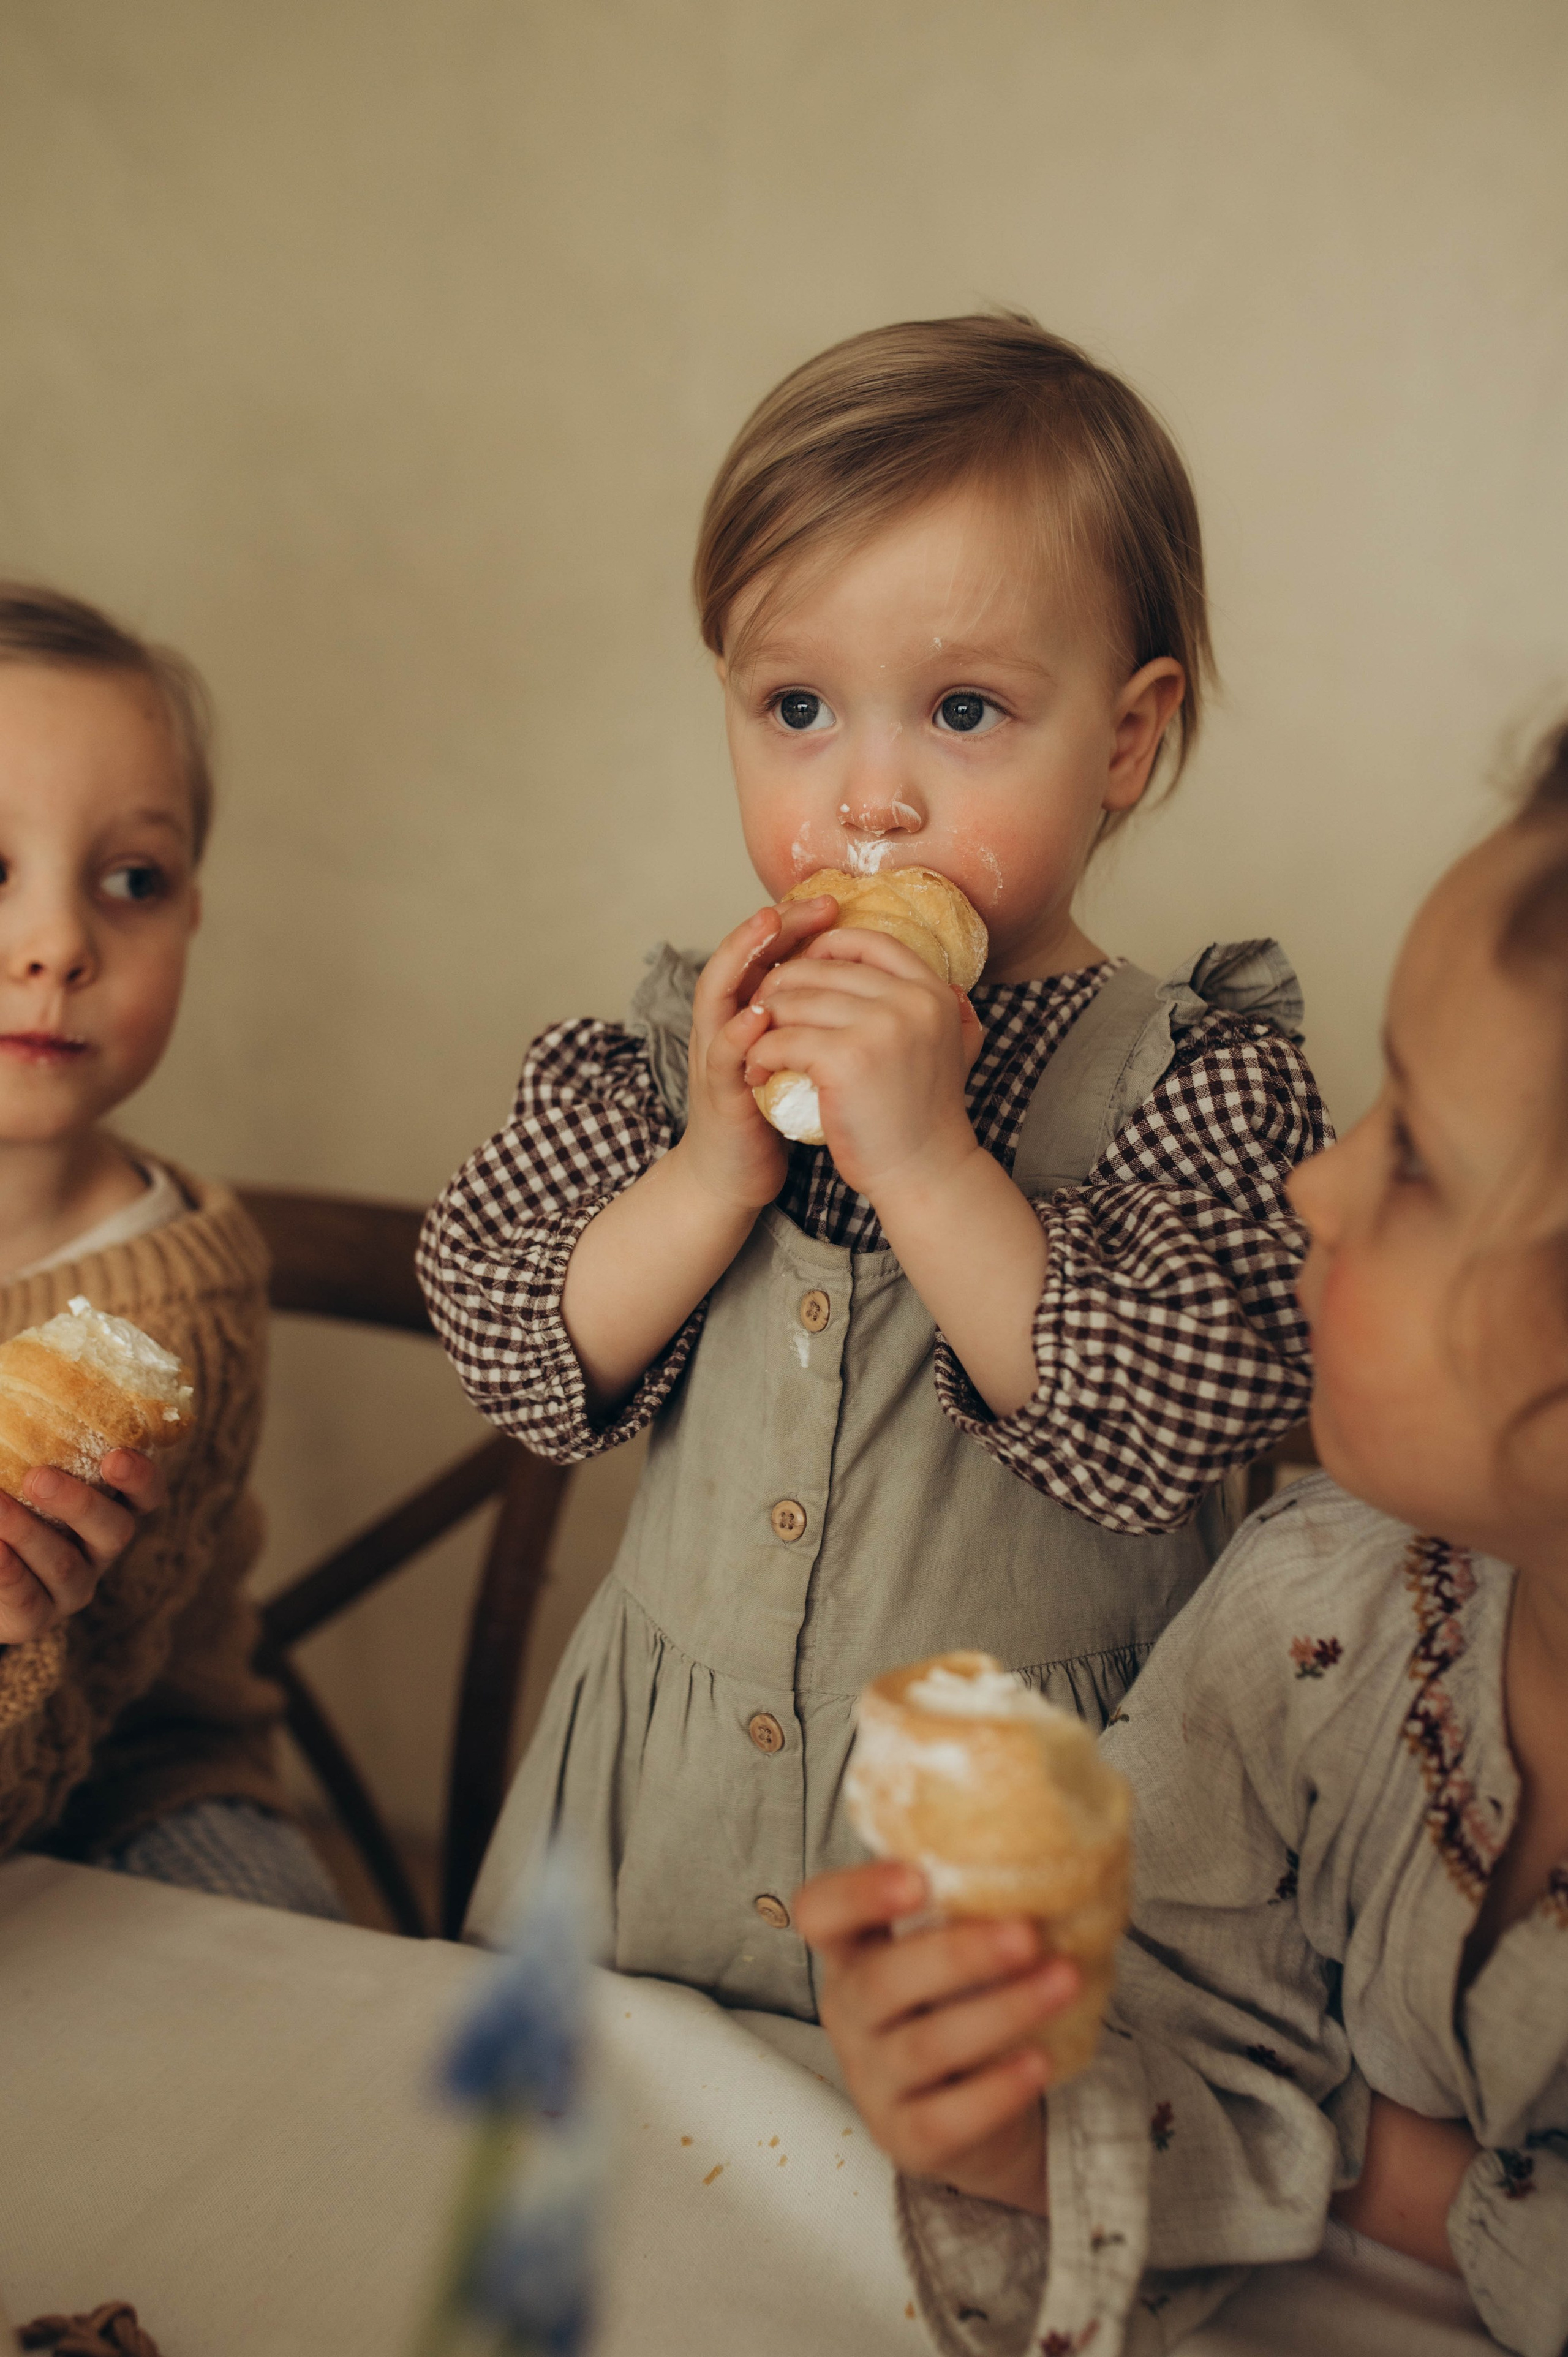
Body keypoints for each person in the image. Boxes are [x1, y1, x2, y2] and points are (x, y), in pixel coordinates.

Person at [419, 314, 1327, 2010]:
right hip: (654, 1832)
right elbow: (516, 1350)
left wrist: (927, 1160)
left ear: (1123, 738)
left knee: (947, 2168)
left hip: (998, 1862)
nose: (870, 800)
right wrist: (706, 1173)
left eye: (963, 709)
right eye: (797, 708)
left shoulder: (1194, 1082)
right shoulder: (680, 1045)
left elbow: (1170, 1426)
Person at [794, 729, 1568, 2357]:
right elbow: (1171, 2043)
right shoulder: (1309, 1610)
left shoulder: (1189, 1083)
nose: (1313, 1187)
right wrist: (1014, 2114)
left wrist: (1403, 2179)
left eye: (1412, 1157)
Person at [0, 584, 342, 1917]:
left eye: (132, 881)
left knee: (286, 1992)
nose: (57, 946)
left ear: (193, 910)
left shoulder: (168, 1309)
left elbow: (49, 1761)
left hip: (125, 1781)